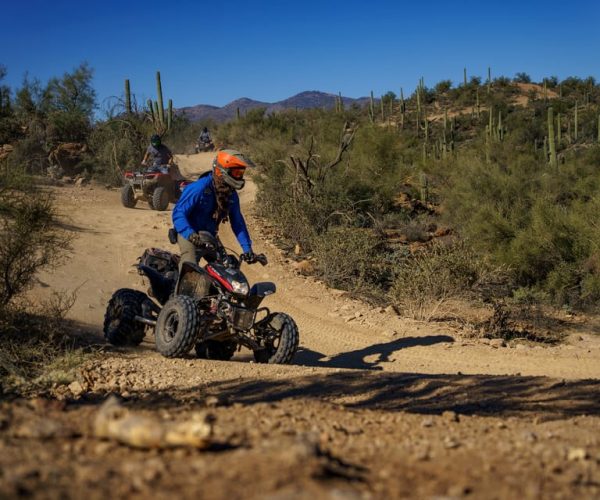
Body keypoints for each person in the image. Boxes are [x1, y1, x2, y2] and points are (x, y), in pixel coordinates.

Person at [172, 149, 256, 273]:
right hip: (190, 234)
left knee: (228, 270)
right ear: (221, 170)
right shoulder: (199, 188)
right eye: (236, 172)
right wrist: (189, 233)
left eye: (241, 173)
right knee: (189, 267)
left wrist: (247, 249)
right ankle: (179, 292)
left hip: (209, 236)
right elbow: (178, 213)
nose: (239, 176)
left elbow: (238, 222)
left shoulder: (231, 194)